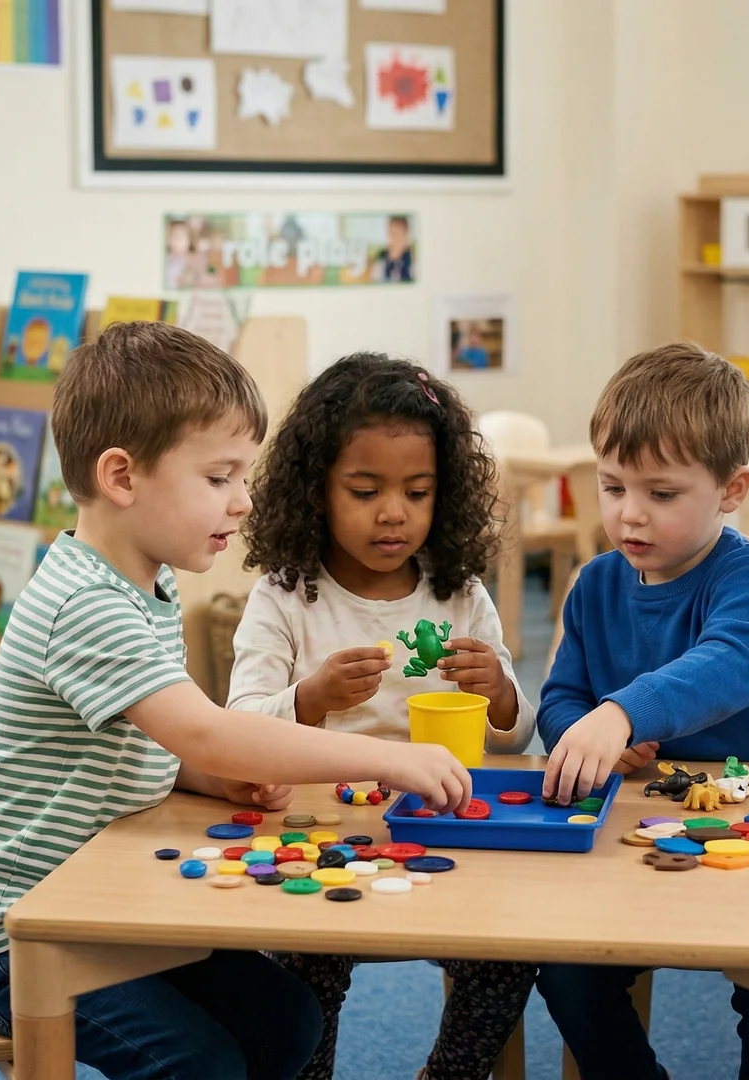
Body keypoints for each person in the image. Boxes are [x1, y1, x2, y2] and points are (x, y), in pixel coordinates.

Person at [0, 322, 473, 1080]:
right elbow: (209, 733)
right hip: (6, 937)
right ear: (122, 477)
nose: (243, 503)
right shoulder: (84, 603)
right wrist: (387, 757)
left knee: (288, 1018)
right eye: (219, 479)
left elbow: (161, 744)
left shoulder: (147, 583)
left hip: (96, 906)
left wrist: (212, 782)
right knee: (198, 1061)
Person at [229, 354, 536, 1080]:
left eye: (418, 491)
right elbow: (241, 727)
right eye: (365, 490)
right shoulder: (284, 596)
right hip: (318, 836)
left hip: (443, 831)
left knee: (514, 948)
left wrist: (498, 692)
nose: (394, 511)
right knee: (303, 969)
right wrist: (309, 699)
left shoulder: (458, 594)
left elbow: (520, 735)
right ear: (316, 491)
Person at [532, 344, 749, 1080]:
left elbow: (725, 666)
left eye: (661, 494)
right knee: (561, 965)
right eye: (612, 487)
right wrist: (581, 728)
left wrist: (622, 713)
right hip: (632, 831)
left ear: (732, 490)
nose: (629, 513)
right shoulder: (595, 584)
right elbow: (563, 698)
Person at [378, 215, 414, 282]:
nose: (394, 239)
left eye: (398, 234)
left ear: (406, 237)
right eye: (391, 233)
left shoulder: (413, 262)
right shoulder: (381, 261)